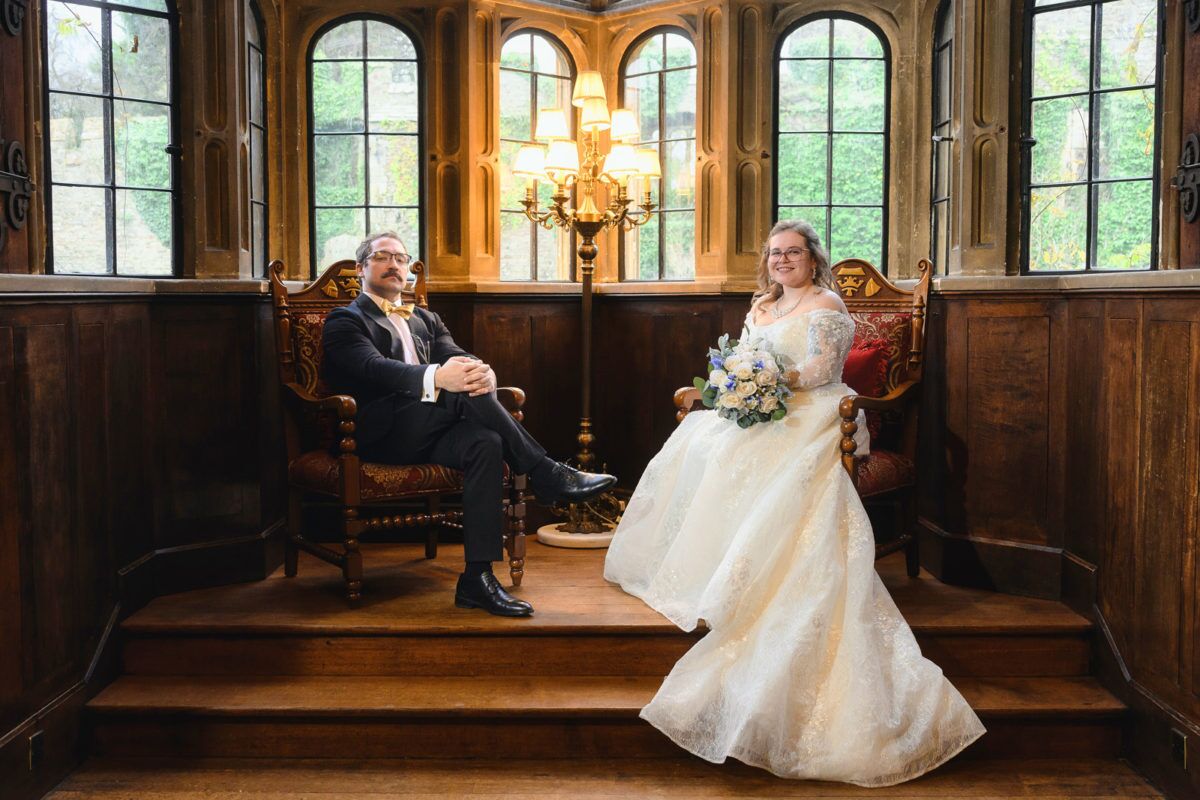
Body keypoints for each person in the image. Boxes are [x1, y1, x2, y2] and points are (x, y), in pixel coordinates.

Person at [603, 220, 985, 786]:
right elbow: (743, 357)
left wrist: (764, 378)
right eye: (775, 254)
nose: (782, 261)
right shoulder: (761, 306)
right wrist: (737, 383)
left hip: (819, 412)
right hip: (767, 405)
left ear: (812, 259)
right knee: (699, 441)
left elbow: (823, 371)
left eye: (793, 253)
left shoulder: (827, 301)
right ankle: (716, 564)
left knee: (765, 459)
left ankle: (766, 569)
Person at [321, 231, 616, 617]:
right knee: (457, 389)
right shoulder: (344, 320)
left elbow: (460, 357)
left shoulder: (426, 319)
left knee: (485, 442)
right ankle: (546, 473)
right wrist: (439, 379)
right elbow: (373, 369)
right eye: (383, 257)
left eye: (401, 258)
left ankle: (476, 579)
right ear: (361, 268)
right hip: (379, 433)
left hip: (431, 429)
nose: (394, 264)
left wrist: (484, 372)